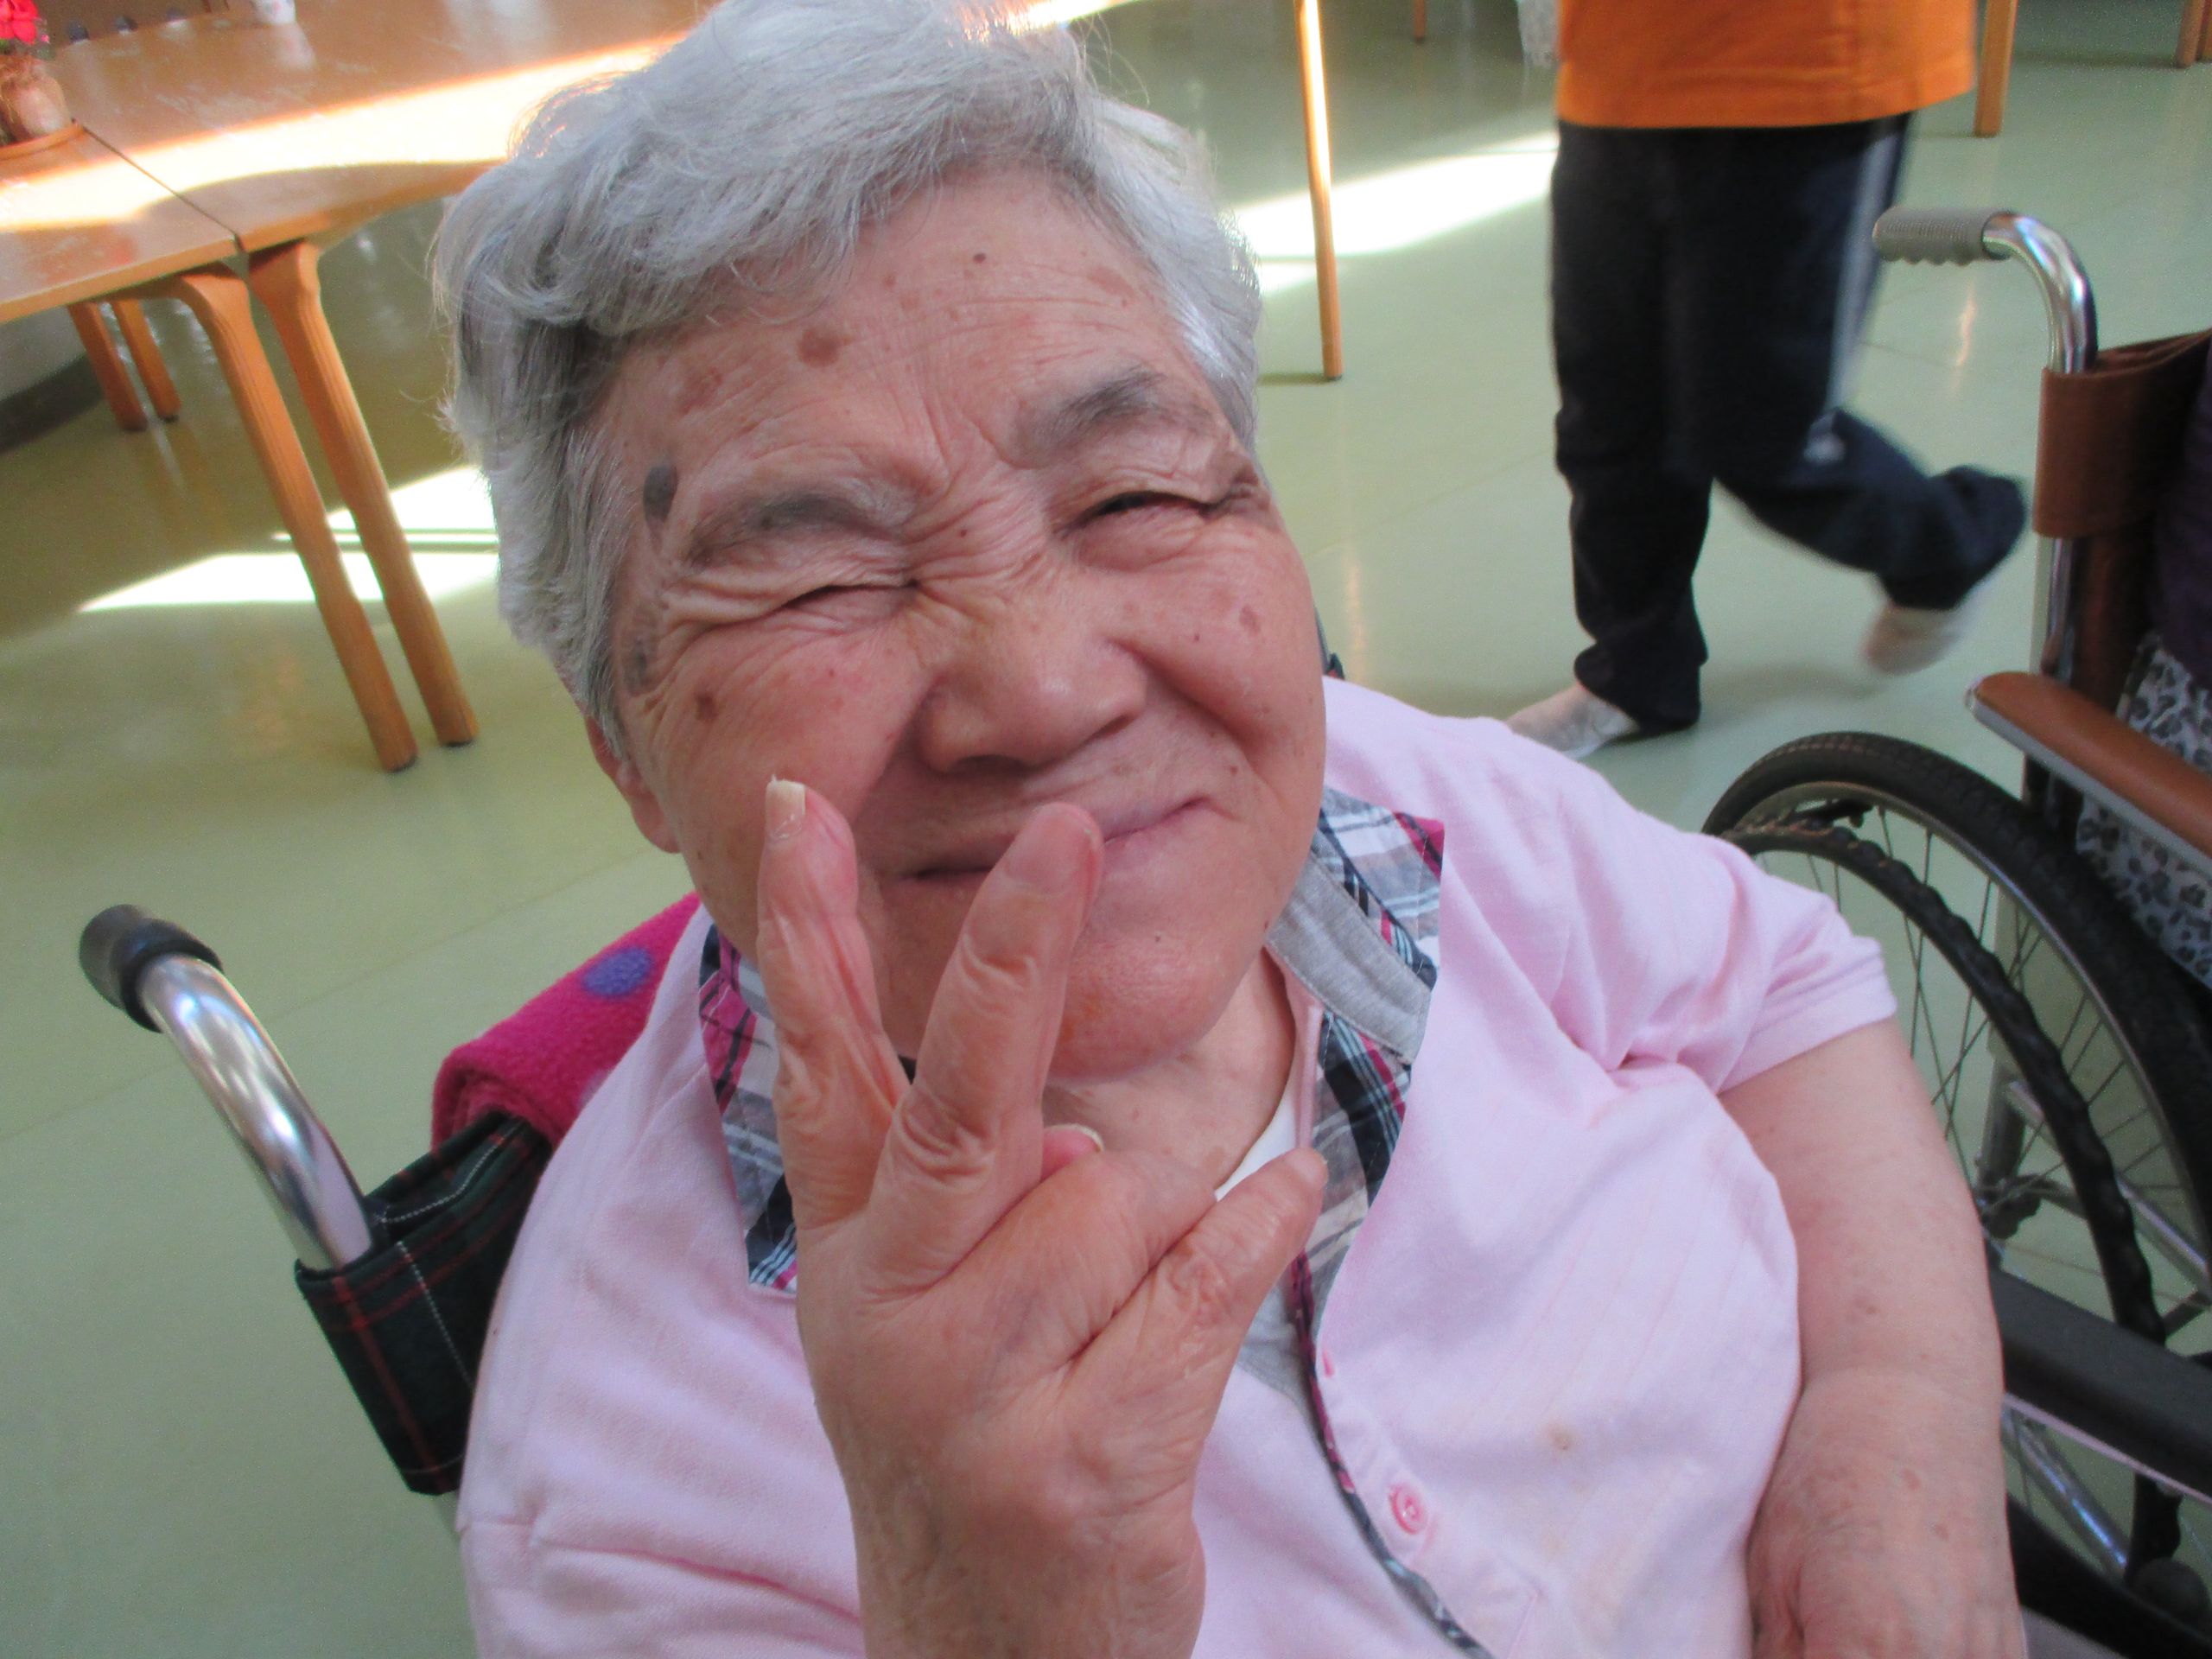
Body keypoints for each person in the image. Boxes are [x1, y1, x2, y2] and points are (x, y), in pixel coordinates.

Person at [437, 3, 2021, 1653]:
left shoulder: (1399, 789)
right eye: (819, 576)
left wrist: (1892, 1422)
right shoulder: (622, 1521)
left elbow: (1782, 991)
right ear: (622, 750)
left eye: (1130, 494)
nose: (1047, 692)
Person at [1508, 0, 2031, 760]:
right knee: (1609, 409)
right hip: (1620, 57)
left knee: (1767, 435)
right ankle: (1636, 673)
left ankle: (1952, 539)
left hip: (1805, 64)